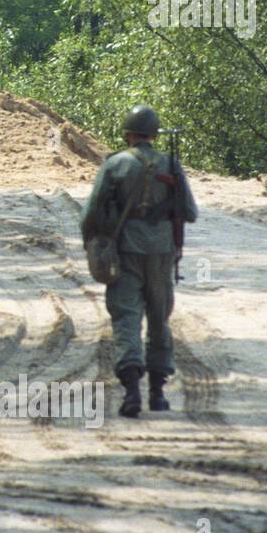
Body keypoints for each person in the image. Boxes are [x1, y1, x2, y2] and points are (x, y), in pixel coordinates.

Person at [80, 105, 199, 417]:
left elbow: (92, 212)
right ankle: (158, 394)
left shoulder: (115, 164)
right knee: (159, 318)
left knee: (126, 317)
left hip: (125, 252)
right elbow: (189, 212)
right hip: (162, 253)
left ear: (127, 133)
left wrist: (92, 244)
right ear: (155, 134)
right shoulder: (171, 165)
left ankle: (132, 392)